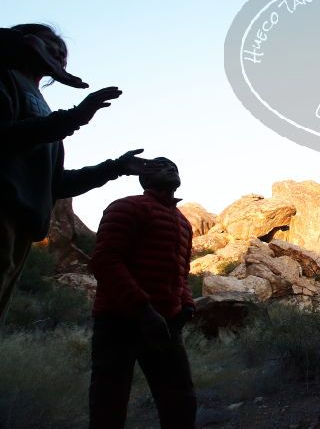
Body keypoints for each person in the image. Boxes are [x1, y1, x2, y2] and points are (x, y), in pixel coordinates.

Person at [0, 23, 164, 321]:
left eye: (65, 52)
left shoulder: (44, 108)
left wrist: (115, 167)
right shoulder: (4, 77)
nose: (61, 52)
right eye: (51, 43)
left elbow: (56, 183)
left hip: (21, 229)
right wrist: (74, 117)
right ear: (28, 41)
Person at [88, 157, 196, 429]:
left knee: (180, 401)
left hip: (167, 324)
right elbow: (105, 261)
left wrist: (186, 304)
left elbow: (181, 272)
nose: (171, 167)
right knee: (109, 404)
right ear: (145, 179)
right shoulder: (126, 207)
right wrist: (144, 310)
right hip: (118, 322)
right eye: (161, 165)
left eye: (175, 166)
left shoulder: (183, 223)